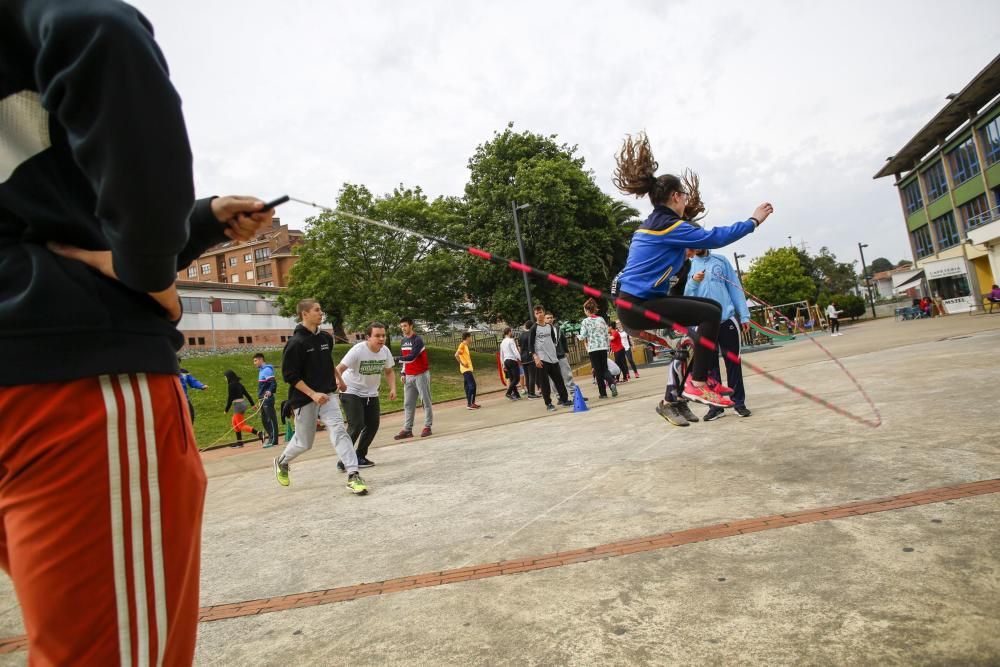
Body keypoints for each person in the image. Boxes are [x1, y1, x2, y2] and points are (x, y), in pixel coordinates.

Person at [0, 2, 279, 662]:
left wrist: (200, 222)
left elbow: (33, 211)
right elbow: (100, 30)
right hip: (68, 383)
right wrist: (147, 270)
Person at [610, 132, 773, 422]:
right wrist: (752, 221)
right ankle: (696, 383)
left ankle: (680, 394)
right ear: (675, 196)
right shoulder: (667, 225)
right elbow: (714, 237)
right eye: (684, 195)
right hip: (636, 305)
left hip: (639, 303)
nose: (686, 200)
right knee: (711, 313)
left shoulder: (656, 226)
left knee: (697, 331)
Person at [274, 300, 368, 495]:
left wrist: (339, 379)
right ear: (304, 314)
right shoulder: (295, 343)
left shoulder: (325, 338)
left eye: (320, 309)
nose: (321, 313)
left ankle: (353, 474)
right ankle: (282, 461)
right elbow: (289, 376)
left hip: (328, 394)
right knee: (304, 442)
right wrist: (312, 394)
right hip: (304, 398)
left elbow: (327, 361)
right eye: (316, 310)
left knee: (339, 431)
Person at [685, 249, 753, 420]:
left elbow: (735, 288)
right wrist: (693, 282)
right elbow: (687, 297)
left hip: (727, 320)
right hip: (704, 325)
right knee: (709, 367)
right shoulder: (689, 266)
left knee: (733, 363)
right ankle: (715, 406)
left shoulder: (721, 261)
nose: (696, 246)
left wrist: (744, 315)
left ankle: (738, 403)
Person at [336, 322, 396, 470]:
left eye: (383, 335)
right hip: (351, 391)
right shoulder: (358, 350)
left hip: (371, 393)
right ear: (368, 337)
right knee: (356, 424)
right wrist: (340, 382)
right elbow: (339, 368)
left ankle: (360, 456)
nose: (381, 338)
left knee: (373, 424)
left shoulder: (385, 351)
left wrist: (393, 388)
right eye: (377, 336)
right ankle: (344, 460)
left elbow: (389, 371)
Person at [394, 317, 433, 439]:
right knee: (408, 404)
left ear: (411, 326)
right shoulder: (403, 341)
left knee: (425, 401)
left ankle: (427, 426)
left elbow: (411, 357)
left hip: (421, 374)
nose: (403, 328)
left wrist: (395, 359)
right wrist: (403, 373)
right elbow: (404, 358)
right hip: (409, 376)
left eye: (405, 326)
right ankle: (407, 430)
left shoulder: (418, 340)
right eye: (401, 326)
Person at [529, 305, 571, 412]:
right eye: (537, 313)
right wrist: (536, 357)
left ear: (543, 313)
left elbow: (553, 340)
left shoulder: (549, 326)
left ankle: (565, 400)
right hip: (542, 359)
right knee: (545, 383)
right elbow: (531, 345)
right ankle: (548, 403)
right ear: (535, 315)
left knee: (559, 380)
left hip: (553, 358)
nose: (539, 315)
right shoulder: (534, 328)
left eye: (540, 312)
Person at [578, 298, 615, 399]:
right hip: (603, 347)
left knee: (598, 371)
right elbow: (606, 334)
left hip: (593, 349)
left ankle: (603, 393)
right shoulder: (601, 319)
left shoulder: (585, 321)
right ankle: (612, 382)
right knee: (605, 369)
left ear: (586, 310)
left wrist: (578, 336)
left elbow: (583, 336)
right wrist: (608, 346)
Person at [545, 311, 582, 398]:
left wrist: (566, 351)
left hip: (561, 356)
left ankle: (574, 394)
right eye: (548, 318)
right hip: (550, 358)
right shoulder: (542, 331)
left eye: (551, 317)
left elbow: (563, 340)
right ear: (544, 319)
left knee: (568, 375)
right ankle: (559, 396)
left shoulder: (557, 329)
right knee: (553, 379)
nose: (550, 319)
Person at [224, 370, 263, 447]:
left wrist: (226, 409)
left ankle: (259, 433)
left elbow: (230, 398)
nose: (225, 379)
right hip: (242, 404)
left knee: (241, 425)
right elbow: (247, 395)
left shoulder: (231, 385)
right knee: (234, 422)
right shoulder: (239, 384)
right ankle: (239, 442)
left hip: (237, 405)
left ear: (229, 377)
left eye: (225, 377)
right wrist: (252, 404)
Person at [253, 352, 279, 447]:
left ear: (261, 359)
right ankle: (271, 437)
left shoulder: (267, 370)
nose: (254, 363)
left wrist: (269, 391)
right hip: (262, 399)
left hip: (267, 399)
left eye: (255, 361)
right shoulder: (261, 370)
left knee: (271, 419)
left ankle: (274, 440)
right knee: (264, 420)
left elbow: (273, 383)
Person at [455, 332, 481, 409]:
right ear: (467, 337)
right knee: (473, 385)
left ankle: (471, 403)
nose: (471, 339)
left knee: (467, 386)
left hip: (467, 369)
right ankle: (470, 404)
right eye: (470, 337)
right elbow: (456, 355)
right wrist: (462, 364)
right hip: (466, 370)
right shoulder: (462, 345)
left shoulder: (465, 346)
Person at [518, 321, 540, 399]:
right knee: (532, 376)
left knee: (527, 376)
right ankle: (532, 393)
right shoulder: (531, 334)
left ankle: (529, 393)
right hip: (530, 357)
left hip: (523, 358)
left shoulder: (521, 336)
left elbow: (519, 348)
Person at [499, 327, 522, 400]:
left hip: (506, 361)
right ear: (509, 332)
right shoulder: (511, 340)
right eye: (511, 331)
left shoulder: (502, 342)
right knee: (517, 379)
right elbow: (515, 351)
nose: (512, 333)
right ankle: (508, 393)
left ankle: (517, 395)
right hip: (512, 360)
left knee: (512, 379)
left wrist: (503, 364)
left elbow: (501, 354)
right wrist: (520, 359)